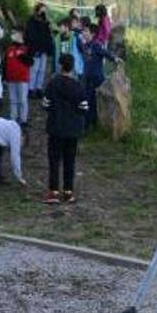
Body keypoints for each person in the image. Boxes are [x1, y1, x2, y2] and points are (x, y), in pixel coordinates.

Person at [43, 53, 87, 204]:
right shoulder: (78, 86)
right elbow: (83, 108)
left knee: (54, 160)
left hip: (55, 128)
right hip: (73, 130)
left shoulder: (52, 84)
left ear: (60, 66)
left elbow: (46, 105)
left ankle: (53, 192)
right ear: (73, 67)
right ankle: (69, 192)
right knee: (70, 161)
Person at [80, 26, 121, 129]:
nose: (84, 33)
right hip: (87, 78)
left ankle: (90, 124)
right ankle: (88, 123)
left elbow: (106, 54)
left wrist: (115, 59)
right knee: (87, 101)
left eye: (86, 31)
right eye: (83, 31)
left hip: (96, 79)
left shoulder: (96, 45)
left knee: (93, 101)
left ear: (93, 34)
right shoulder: (85, 45)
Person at [24, 4, 54, 98]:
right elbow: (30, 35)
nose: (43, 13)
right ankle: (31, 89)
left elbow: (48, 36)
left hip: (43, 49)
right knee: (34, 70)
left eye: (44, 11)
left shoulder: (46, 23)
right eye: (41, 11)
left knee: (42, 70)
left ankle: (39, 88)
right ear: (37, 11)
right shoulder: (31, 21)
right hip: (35, 49)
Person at [3, 32, 33, 128]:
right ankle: (13, 119)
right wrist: (4, 77)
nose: (15, 36)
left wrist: (22, 55)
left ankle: (23, 120)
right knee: (13, 100)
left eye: (17, 34)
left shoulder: (26, 48)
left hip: (22, 78)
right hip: (11, 78)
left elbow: (30, 62)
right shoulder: (9, 49)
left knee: (22, 100)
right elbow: (5, 63)